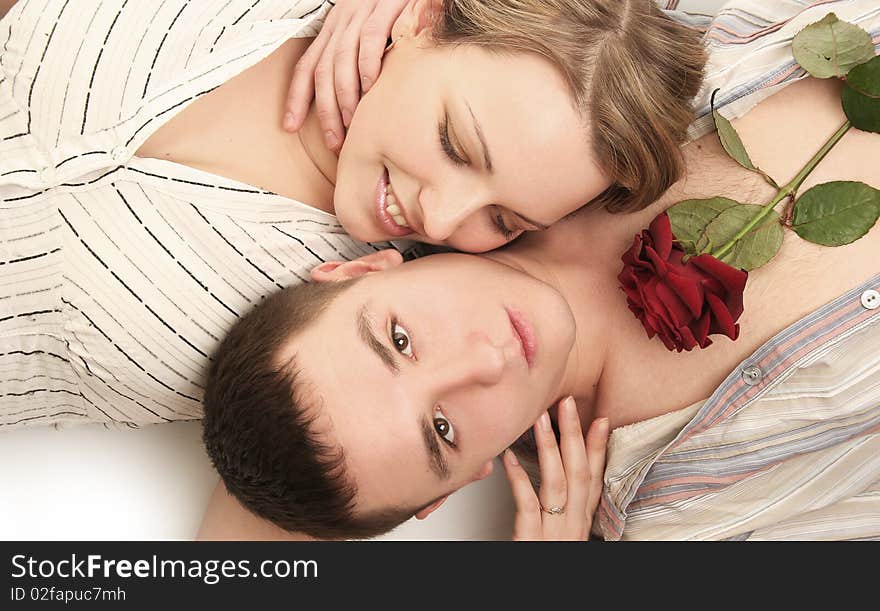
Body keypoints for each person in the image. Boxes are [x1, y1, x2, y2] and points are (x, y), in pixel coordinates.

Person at [200, 48, 880, 541]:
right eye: (442, 429)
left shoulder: (551, 78)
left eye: (402, 340)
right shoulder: (679, 513)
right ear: (461, 482)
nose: (485, 363)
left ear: (361, 271)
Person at [0, 0, 706, 432]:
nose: (442, 213)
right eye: (455, 144)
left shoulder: (366, 314)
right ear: (422, 20)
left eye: (505, 219)